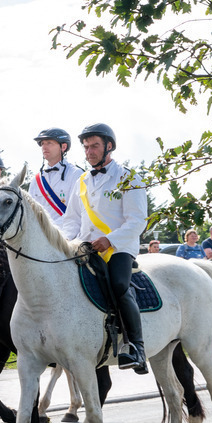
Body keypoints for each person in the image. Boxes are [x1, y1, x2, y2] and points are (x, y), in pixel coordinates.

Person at [60, 123, 149, 374]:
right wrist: (66, 244)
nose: (89, 151)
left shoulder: (129, 177)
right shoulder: (81, 181)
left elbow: (137, 220)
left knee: (119, 285)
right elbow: (72, 221)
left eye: (94, 146)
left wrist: (110, 240)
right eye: (86, 147)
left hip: (118, 247)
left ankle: (136, 348)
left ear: (109, 146)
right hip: (86, 247)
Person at [27, 127, 83, 226]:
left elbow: (76, 213)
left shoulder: (76, 174)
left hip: (67, 235)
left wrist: (50, 230)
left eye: (49, 143)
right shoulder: (36, 180)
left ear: (63, 147)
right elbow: (29, 211)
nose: (44, 147)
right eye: (42, 143)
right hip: (39, 235)